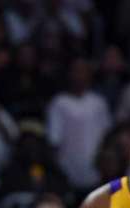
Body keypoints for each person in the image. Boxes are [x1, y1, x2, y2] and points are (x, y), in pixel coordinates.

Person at [46, 57, 112, 191]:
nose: (79, 75)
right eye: (75, 71)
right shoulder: (59, 103)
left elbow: (107, 137)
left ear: (89, 74)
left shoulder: (99, 103)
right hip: (67, 173)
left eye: (83, 71)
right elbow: (54, 140)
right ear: (68, 74)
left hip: (97, 173)